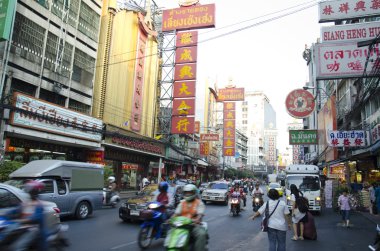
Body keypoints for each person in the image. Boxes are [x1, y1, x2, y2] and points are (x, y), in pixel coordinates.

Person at [9, 180, 48, 251]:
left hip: (33, 230)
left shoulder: (38, 204)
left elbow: (36, 217)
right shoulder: (26, 203)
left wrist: (22, 221)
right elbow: (15, 211)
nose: (29, 193)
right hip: (22, 228)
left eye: (31, 192)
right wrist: (5, 214)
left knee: (18, 247)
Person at [171, 184, 207, 251]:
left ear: (194, 193)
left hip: (193, 225)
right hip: (181, 225)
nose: (188, 194)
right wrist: (171, 219)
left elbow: (200, 214)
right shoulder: (182, 203)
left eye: (190, 192)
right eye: (186, 192)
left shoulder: (199, 203)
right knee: (170, 232)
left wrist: (197, 219)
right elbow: (176, 213)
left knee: (201, 234)